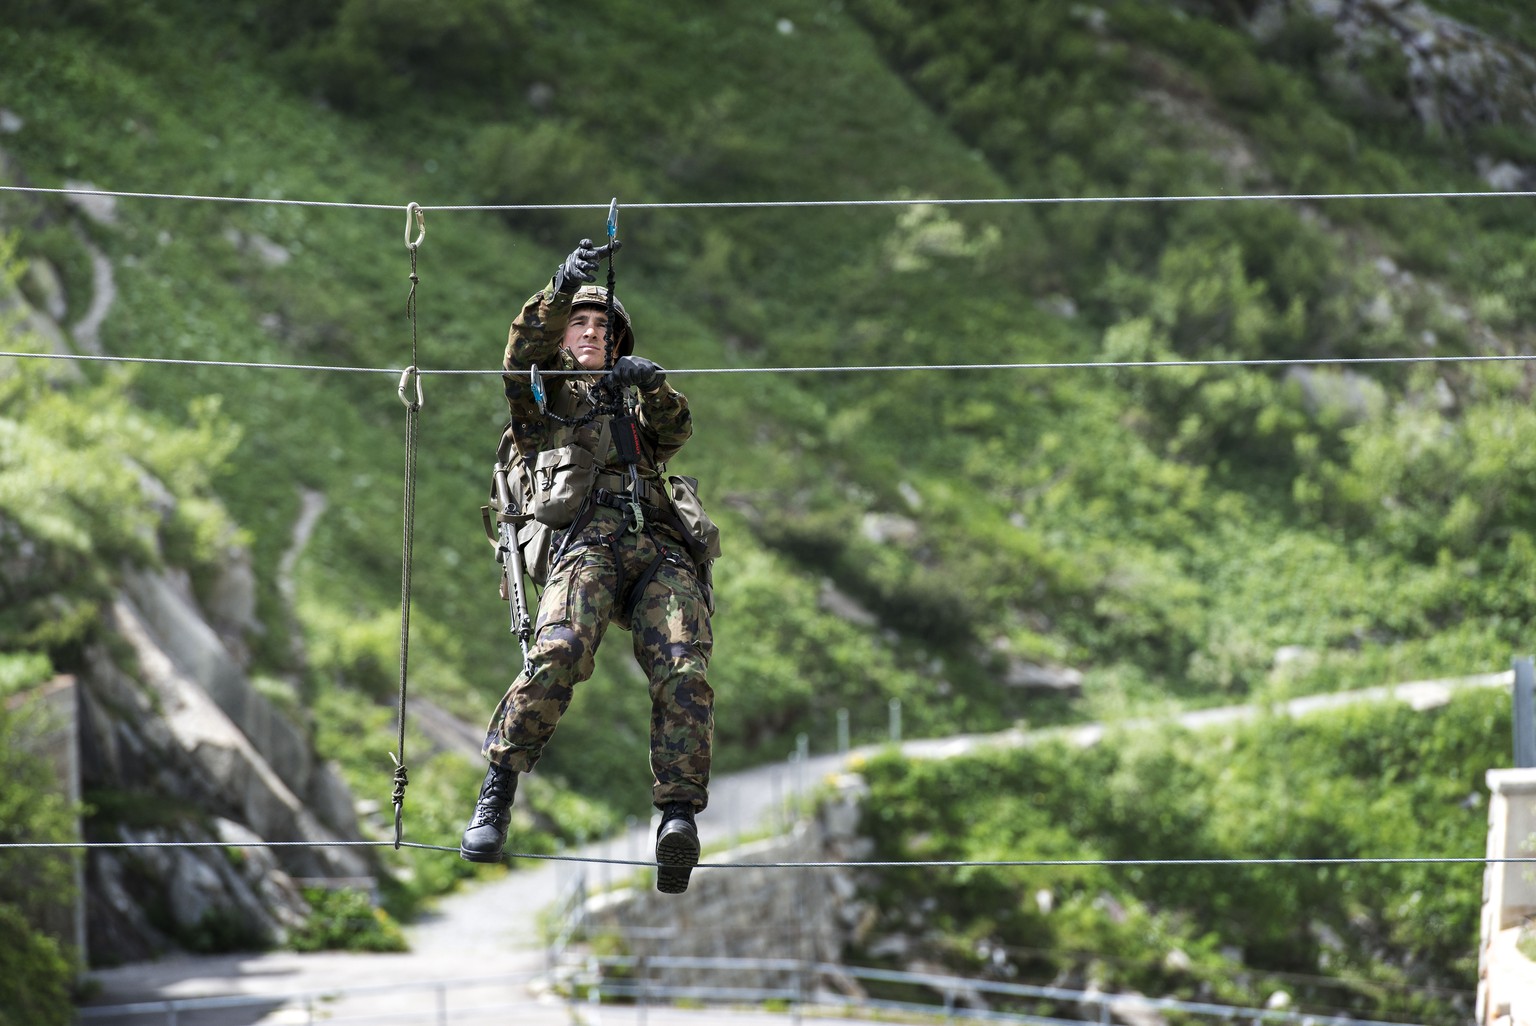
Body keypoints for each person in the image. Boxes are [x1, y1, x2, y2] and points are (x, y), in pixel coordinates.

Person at [459, 237, 717, 895]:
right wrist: (557, 290)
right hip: (587, 542)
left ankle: (677, 818)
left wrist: (650, 384)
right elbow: (518, 359)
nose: (594, 332)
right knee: (559, 651)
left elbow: (677, 429)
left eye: (604, 326)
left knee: (683, 663)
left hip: (657, 545)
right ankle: (499, 787)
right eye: (582, 321)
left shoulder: (634, 395)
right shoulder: (545, 402)